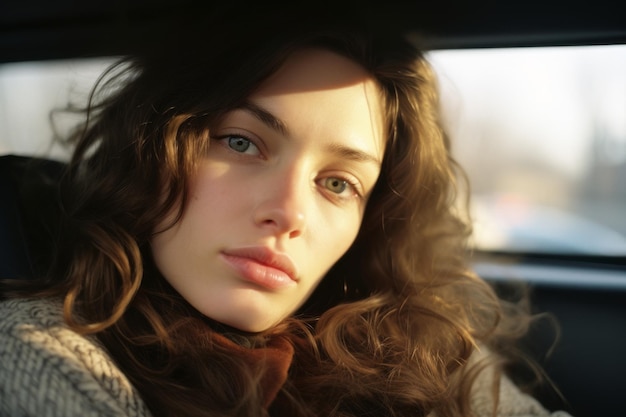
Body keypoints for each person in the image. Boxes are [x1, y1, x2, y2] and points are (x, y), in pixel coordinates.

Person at [0, 4, 571, 417]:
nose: (290, 212)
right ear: (153, 148)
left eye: (339, 183)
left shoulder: (423, 349)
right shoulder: (47, 351)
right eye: (242, 143)